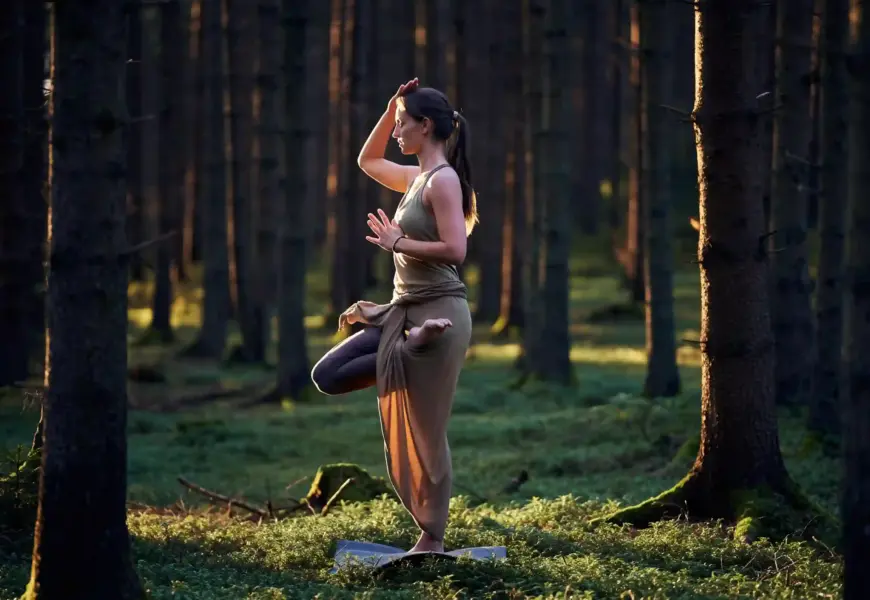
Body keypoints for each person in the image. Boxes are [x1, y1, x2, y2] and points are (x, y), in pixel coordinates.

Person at [310, 77, 477, 554]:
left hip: (441, 310)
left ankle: (431, 539)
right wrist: (388, 109)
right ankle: (408, 348)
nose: (398, 132)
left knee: (427, 430)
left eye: (404, 124)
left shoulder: (443, 180)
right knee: (329, 373)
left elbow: (456, 249)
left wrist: (396, 242)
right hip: (405, 314)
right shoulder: (417, 178)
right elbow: (366, 161)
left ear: (426, 127)